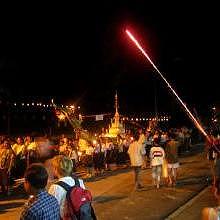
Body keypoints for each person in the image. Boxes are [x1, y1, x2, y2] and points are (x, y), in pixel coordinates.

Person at [48, 155, 85, 219]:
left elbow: (51, 209)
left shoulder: (55, 187)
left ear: (56, 169)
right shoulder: (79, 182)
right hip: (80, 216)